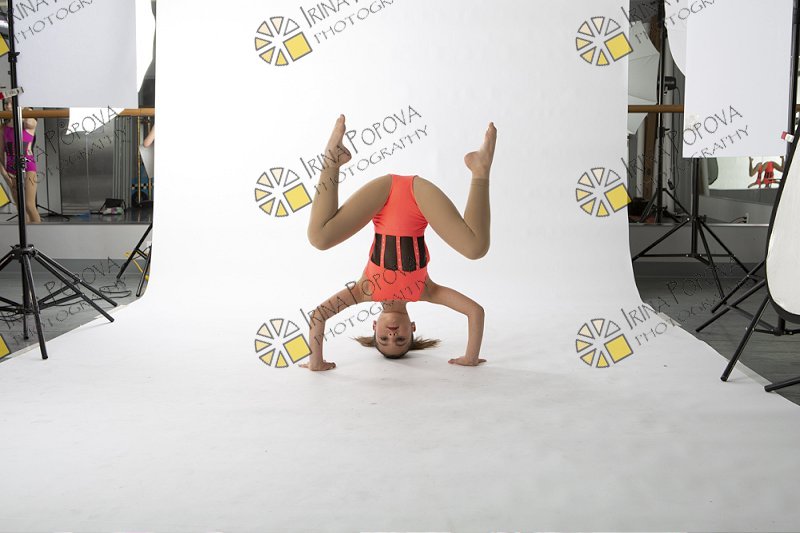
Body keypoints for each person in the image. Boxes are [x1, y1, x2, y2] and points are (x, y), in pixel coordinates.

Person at [300, 115, 496, 371]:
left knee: (319, 238)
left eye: (383, 339)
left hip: (382, 195)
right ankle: (480, 169)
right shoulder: (426, 291)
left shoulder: (363, 291)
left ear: (374, 326)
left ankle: (332, 160)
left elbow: (318, 315)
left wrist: (316, 362)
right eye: (401, 339)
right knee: (476, 248)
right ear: (412, 328)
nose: (392, 335)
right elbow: (475, 312)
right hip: (419, 197)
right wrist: (471, 357)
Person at [0, 100, 41, 223]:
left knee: (29, 205)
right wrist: (5, 175)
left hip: (28, 165)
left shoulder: (29, 122)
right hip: (10, 168)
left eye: (11, 103)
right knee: (21, 208)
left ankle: (39, 232)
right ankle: (27, 234)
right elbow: (0, 155)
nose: (8, 106)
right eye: (6, 103)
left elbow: (29, 121)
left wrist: (25, 106)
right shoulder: (3, 128)